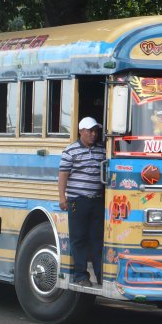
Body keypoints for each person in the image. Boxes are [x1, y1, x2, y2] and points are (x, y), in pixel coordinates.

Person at [58, 117, 106, 287]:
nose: (93, 134)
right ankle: (80, 276)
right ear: (81, 132)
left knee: (97, 239)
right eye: (90, 131)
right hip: (77, 201)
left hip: (97, 201)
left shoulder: (102, 150)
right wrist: (62, 197)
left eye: (95, 131)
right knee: (78, 239)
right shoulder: (70, 151)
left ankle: (102, 277)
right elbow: (63, 174)